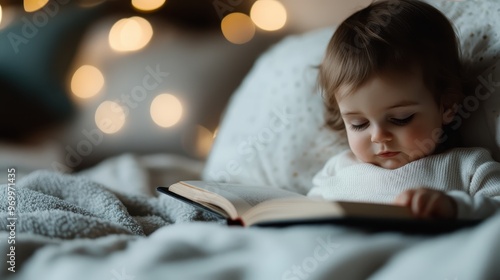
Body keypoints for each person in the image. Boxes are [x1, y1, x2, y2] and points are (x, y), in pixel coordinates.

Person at [307, 0, 500, 220]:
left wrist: (455, 207)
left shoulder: (467, 167)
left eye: (400, 118)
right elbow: (306, 214)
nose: (379, 136)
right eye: (358, 124)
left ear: (446, 105)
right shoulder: (337, 168)